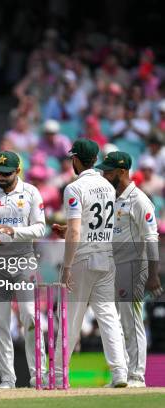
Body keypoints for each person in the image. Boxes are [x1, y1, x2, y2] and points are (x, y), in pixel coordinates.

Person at [0, 151, 47, 388]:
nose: (1, 178)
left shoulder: (31, 192)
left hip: (23, 258)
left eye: (7, 174)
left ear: (18, 171)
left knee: (30, 316)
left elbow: (40, 228)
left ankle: (39, 376)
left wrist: (15, 232)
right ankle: (7, 379)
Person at [57, 139, 128, 387]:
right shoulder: (108, 186)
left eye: (71, 158)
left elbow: (76, 232)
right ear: (95, 159)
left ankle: (57, 374)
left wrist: (66, 267)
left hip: (83, 258)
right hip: (106, 256)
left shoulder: (74, 188)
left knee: (71, 317)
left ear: (76, 159)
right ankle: (120, 373)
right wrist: (67, 230)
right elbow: (90, 223)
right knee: (108, 316)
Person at [96, 152, 161, 387]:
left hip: (134, 267)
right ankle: (121, 375)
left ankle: (137, 375)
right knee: (115, 322)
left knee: (131, 322)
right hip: (111, 268)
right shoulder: (110, 198)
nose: (104, 175)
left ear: (122, 172)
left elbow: (151, 237)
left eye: (109, 171)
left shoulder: (140, 200)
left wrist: (153, 275)